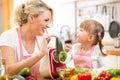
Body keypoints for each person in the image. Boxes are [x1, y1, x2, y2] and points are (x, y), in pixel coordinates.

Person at [0, 0, 54, 79]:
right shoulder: (8, 36)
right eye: (46, 20)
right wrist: (40, 54)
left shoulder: (42, 38)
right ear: (31, 18)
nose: (48, 26)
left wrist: (54, 56)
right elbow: (9, 71)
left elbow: (46, 73)